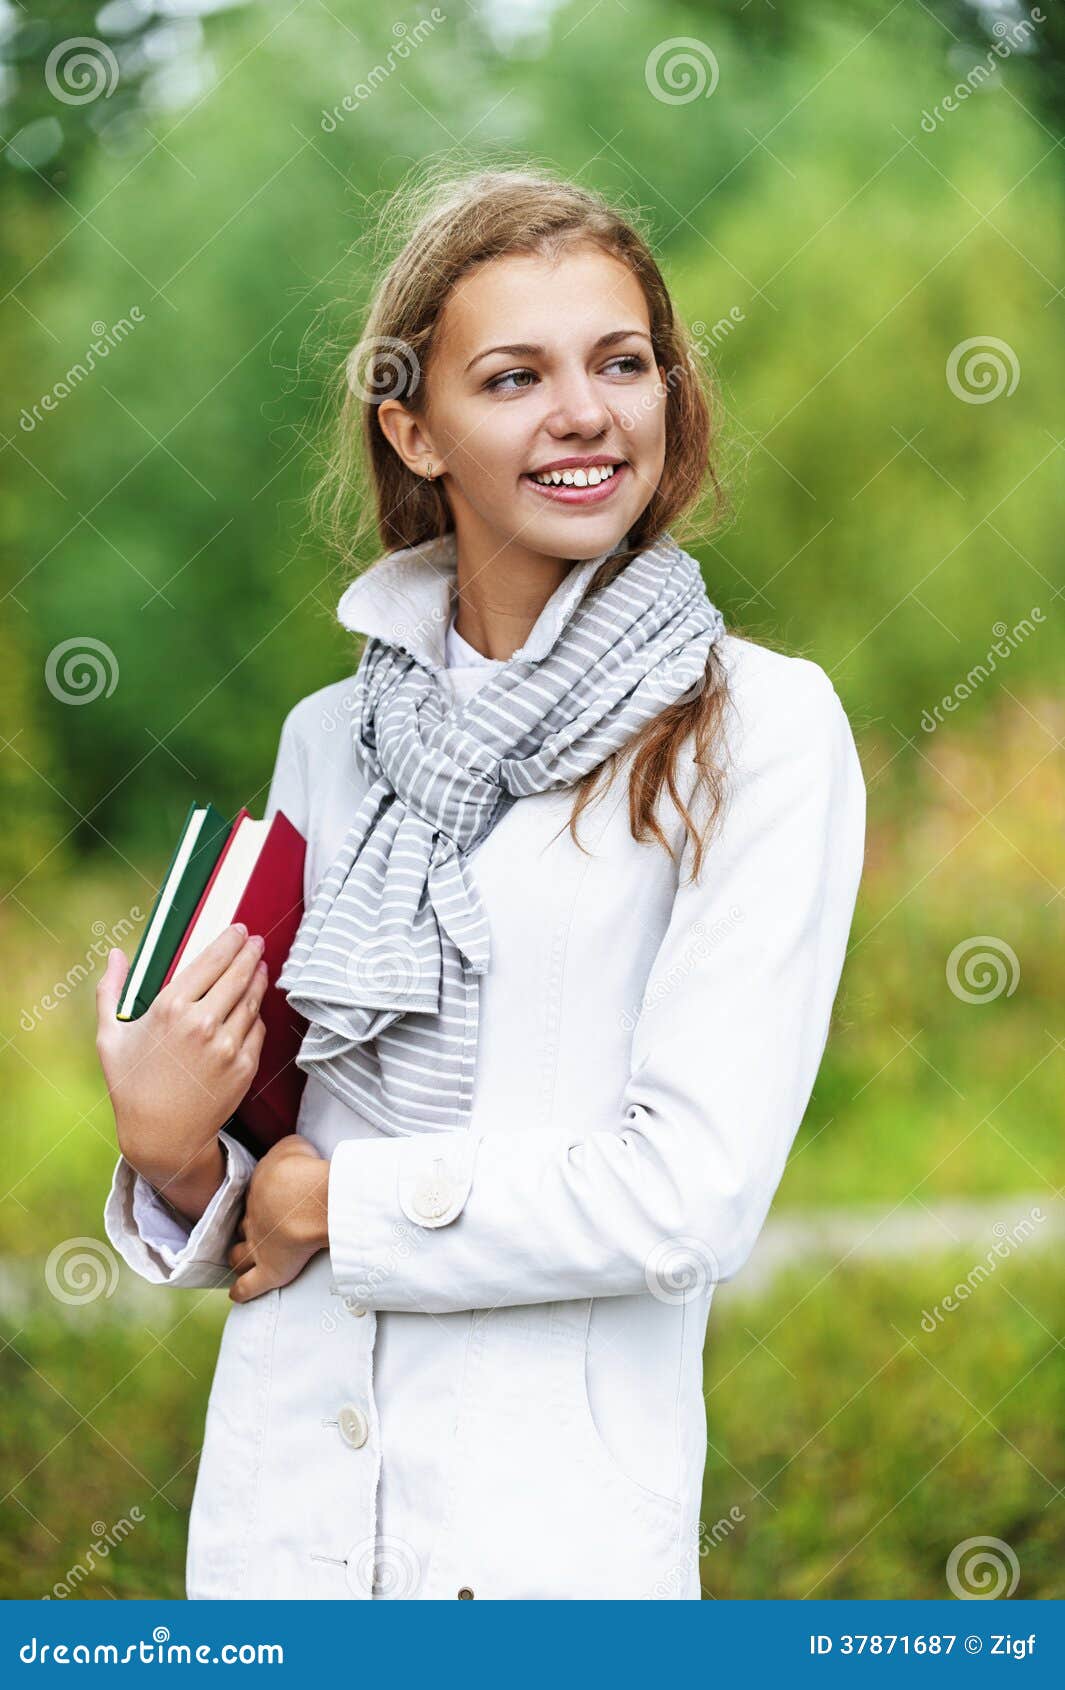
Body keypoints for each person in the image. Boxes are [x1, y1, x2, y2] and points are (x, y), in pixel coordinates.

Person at [95, 167, 866, 1601]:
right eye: (514, 376)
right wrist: (173, 1148)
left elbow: (684, 1194)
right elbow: (279, 1170)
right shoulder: (334, 735)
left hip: (540, 1549)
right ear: (415, 428)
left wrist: (344, 1202)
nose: (584, 412)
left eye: (622, 363)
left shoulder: (757, 726)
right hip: (282, 1533)